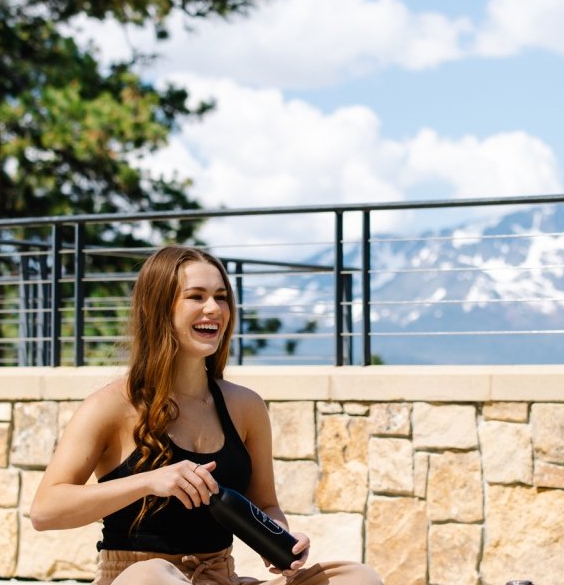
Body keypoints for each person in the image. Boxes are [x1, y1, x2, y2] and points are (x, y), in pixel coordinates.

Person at [28, 245, 380, 585]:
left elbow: (266, 504)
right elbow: (45, 511)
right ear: (158, 309)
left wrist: (279, 542)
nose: (213, 308)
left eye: (221, 296)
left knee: (356, 578)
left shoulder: (245, 407)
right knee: (153, 576)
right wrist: (149, 481)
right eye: (196, 296)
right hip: (137, 579)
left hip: (221, 577)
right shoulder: (110, 406)